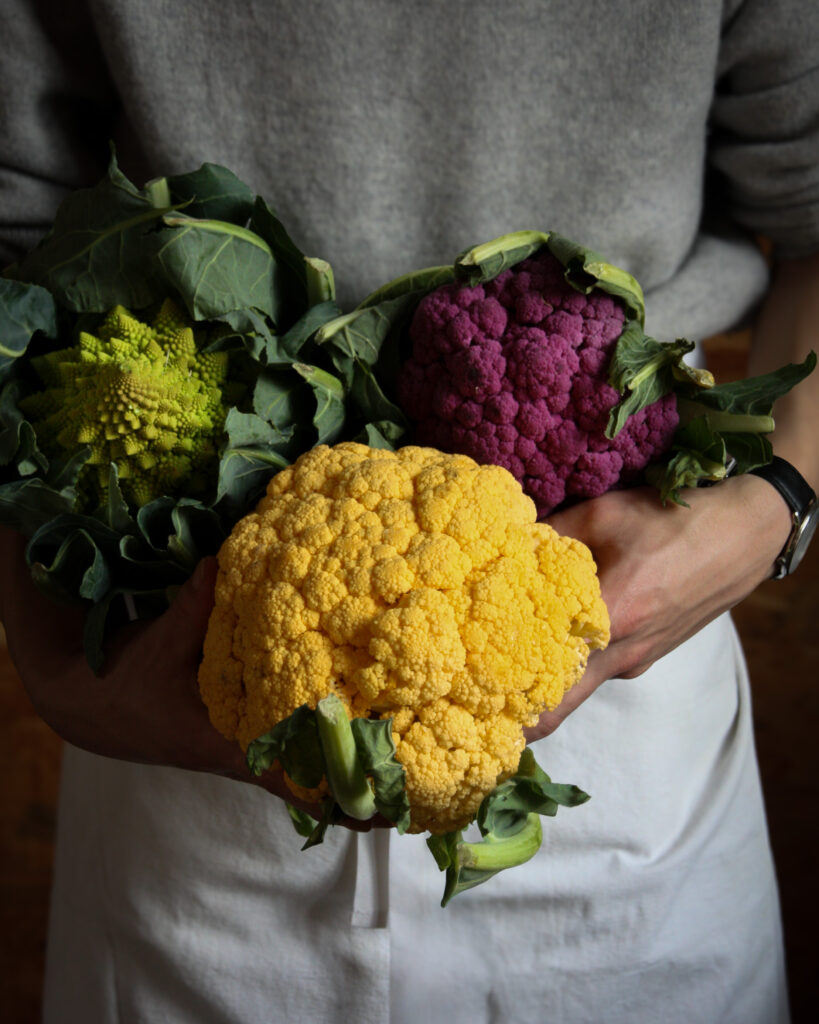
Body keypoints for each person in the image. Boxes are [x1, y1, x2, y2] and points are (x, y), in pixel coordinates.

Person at [1, 1, 817, 1021]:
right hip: (190, 684)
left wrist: (773, 505)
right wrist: (59, 674)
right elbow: (13, 238)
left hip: (628, 650)